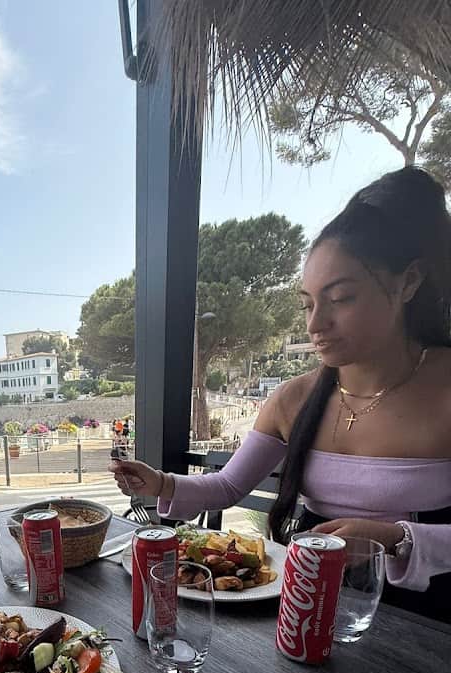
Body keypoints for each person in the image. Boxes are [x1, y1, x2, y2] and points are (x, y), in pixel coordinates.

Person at [113, 166, 451, 621]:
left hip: (428, 625)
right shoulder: (296, 398)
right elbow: (229, 485)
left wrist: (395, 538)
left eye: (342, 298)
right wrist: (160, 483)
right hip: (306, 606)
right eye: (308, 303)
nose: (315, 325)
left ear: (408, 283)